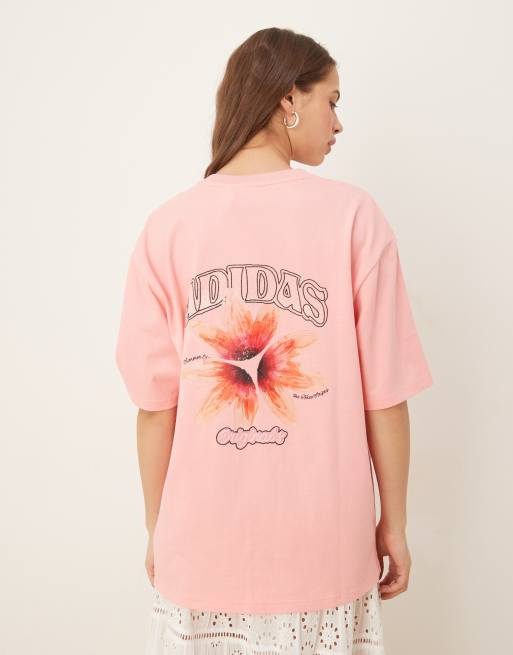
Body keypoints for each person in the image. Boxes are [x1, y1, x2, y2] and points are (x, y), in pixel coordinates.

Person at [115, 27, 434, 655]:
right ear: (290, 97)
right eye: (331, 100)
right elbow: (386, 396)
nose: (337, 123)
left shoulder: (168, 226)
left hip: (201, 545)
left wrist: (159, 528)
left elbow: (155, 408)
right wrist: (393, 525)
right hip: (325, 544)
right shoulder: (353, 217)